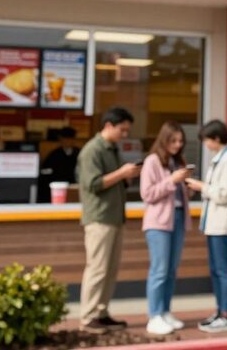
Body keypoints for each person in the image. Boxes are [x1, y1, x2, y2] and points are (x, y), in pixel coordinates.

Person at [77, 107, 142, 334]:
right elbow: (93, 184)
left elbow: (112, 182)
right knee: (97, 268)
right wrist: (122, 174)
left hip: (114, 217)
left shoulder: (113, 149)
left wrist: (127, 176)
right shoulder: (92, 151)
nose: (124, 135)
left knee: (110, 269)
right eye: (122, 130)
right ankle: (88, 317)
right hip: (99, 218)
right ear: (108, 126)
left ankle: (101, 312)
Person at [186, 120, 227, 333]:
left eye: (207, 140)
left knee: (222, 270)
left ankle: (226, 314)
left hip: (222, 225)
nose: (206, 145)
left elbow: (225, 193)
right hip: (214, 224)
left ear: (216, 138)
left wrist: (201, 186)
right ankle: (220, 310)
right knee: (216, 270)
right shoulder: (221, 159)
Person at [140, 121, 193, 336]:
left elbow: (179, 196)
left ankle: (165, 311)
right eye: (173, 141)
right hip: (158, 223)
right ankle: (154, 315)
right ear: (164, 140)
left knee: (171, 271)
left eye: (181, 141)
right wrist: (172, 180)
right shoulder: (152, 161)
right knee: (159, 270)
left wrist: (187, 187)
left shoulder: (178, 161)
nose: (178, 145)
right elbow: (148, 194)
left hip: (178, 218)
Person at [38, 127, 79, 203]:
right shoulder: (54, 155)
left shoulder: (79, 153)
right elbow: (45, 173)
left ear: (73, 140)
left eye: (70, 139)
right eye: (65, 139)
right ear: (60, 139)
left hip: (75, 188)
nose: (67, 141)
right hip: (57, 189)